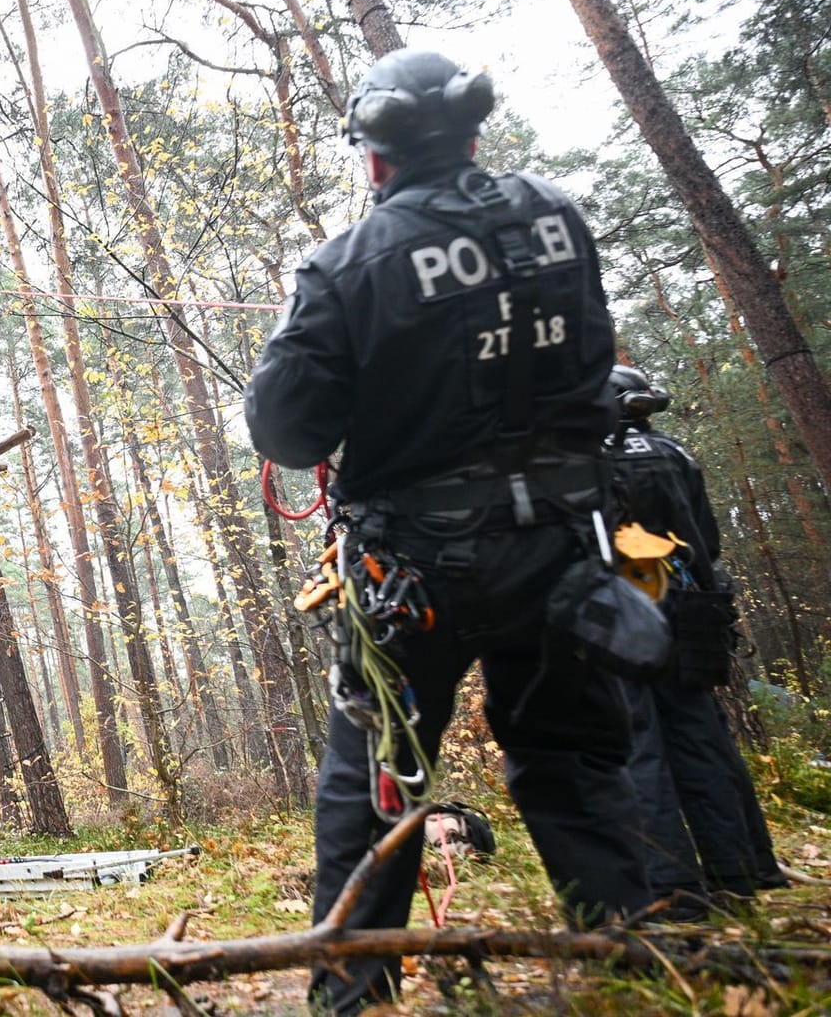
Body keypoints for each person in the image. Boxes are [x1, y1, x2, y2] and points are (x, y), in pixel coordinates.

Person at [244, 49, 649, 1013]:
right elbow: (594, 358)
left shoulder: (350, 265)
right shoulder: (557, 217)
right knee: (574, 758)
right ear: (472, 134)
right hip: (562, 548)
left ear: (373, 158)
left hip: (416, 568)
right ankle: (642, 964)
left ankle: (354, 992)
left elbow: (287, 427)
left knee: (376, 779)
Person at [608, 364, 786, 906]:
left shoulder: (591, 460)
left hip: (623, 615)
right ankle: (742, 870)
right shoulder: (676, 452)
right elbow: (705, 541)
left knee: (638, 744)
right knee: (703, 738)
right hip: (689, 610)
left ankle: (672, 885)